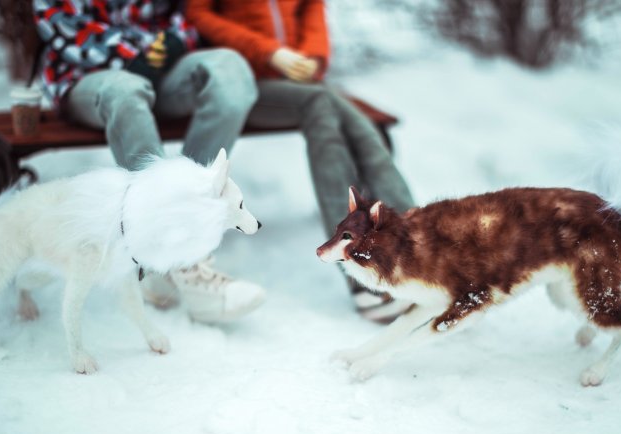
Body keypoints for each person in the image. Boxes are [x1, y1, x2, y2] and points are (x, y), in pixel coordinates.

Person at [32, 0, 265, 323]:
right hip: (88, 76)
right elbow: (57, 21)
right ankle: (180, 263)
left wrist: (175, 40)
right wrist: (129, 58)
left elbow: (190, 15)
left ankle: (183, 224)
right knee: (125, 90)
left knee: (229, 68)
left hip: (163, 72)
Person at [184, 0, 417, 323]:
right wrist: (269, 53)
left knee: (363, 138)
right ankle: (388, 260)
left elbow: (313, 10)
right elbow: (198, 15)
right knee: (340, 118)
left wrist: (312, 58)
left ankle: (412, 251)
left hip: (301, 82)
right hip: (245, 84)